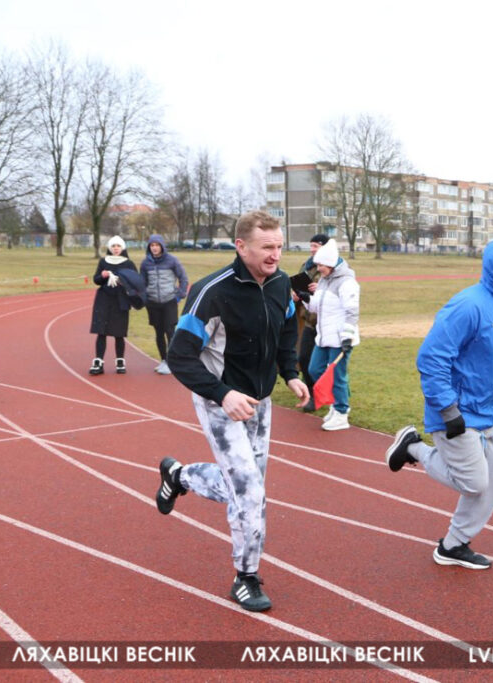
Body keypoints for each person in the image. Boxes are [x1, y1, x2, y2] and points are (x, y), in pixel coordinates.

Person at [155, 210, 309, 612]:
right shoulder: (212, 293)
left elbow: (286, 327)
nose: (276, 255)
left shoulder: (280, 285)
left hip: (260, 402)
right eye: (267, 247)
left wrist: (290, 373)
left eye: (279, 246)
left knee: (244, 487)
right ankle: (246, 576)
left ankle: (179, 476)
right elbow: (180, 357)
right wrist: (223, 394)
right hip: (219, 401)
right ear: (241, 247)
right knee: (250, 494)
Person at [385, 239, 493, 570]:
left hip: (490, 412)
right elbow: (432, 358)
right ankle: (413, 448)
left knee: (492, 485)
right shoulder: (467, 306)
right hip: (457, 412)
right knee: (475, 482)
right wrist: (448, 409)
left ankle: (453, 545)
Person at [304, 238, 360, 431]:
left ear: (330, 263)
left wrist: (347, 336)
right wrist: (305, 298)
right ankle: (335, 405)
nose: (318, 268)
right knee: (314, 369)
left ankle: (341, 412)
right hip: (323, 336)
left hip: (340, 338)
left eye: (321, 265)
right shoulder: (324, 280)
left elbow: (352, 312)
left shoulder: (347, 282)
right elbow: (316, 307)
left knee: (337, 375)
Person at [88, 235, 137, 376]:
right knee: (101, 331)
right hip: (104, 300)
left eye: (118, 246)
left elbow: (136, 282)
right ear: (110, 248)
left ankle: (120, 361)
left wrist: (124, 282)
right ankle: (98, 362)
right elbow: (96, 280)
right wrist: (102, 276)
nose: (116, 248)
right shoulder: (103, 261)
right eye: (113, 246)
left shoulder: (129, 263)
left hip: (121, 301)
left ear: (123, 248)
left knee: (119, 333)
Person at [140, 234, 188, 375]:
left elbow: (183, 278)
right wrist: (145, 298)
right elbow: (142, 283)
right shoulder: (145, 263)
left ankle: (172, 362)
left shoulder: (172, 260)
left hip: (169, 301)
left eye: (157, 245)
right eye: (152, 245)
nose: (154, 248)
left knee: (170, 331)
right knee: (159, 332)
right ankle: (163, 360)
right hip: (153, 303)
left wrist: (179, 295)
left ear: (162, 246)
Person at [294, 234, 328, 410]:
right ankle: (312, 393)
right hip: (309, 320)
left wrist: (319, 290)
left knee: (329, 364)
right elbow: (300, 286)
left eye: (316, 246)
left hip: (327, 323)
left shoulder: (334, 267)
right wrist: (296, 294)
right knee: (304, 357)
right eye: (311, 246)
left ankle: (334, 399)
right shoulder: (307, 265)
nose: (312, 250)